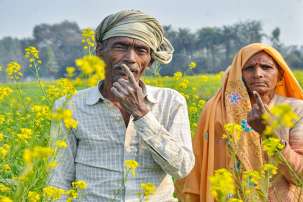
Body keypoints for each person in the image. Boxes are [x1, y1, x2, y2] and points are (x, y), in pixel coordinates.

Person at [48, 10, 195, 201]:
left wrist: (142, 113)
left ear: (149, 60)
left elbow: (182, 168)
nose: (130, 58)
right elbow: (58, 180)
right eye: (120, 47)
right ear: (99, 50)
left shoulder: (171, 101)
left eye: (141, 50)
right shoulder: (69, 106)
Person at [176, 43, 303, 202]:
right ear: (238, 74)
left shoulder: (297, 110)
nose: (258, 74)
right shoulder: (218, 110)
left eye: (266, 67)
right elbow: (200, 168)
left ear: (280, 75)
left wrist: (270, 134)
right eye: (249, 68)